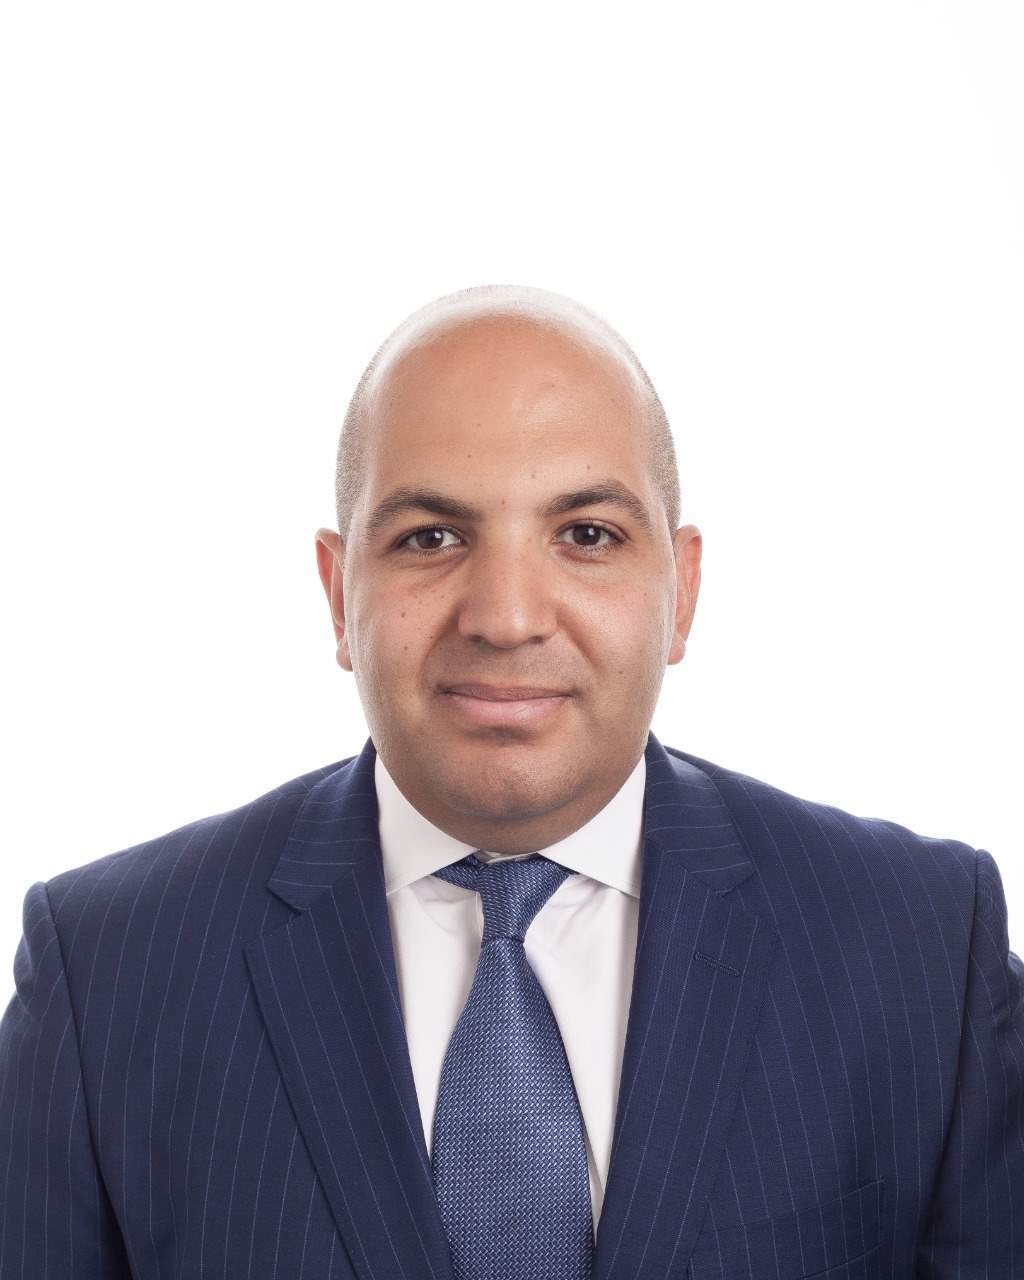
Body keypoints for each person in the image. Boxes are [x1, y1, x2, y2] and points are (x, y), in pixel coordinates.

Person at [1, 283, 1020, 1280]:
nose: (506, 616)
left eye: (587, 534)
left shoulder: (923, 946)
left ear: (682, 590)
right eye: (431, 538)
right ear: (338, 593)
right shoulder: (106, 971)